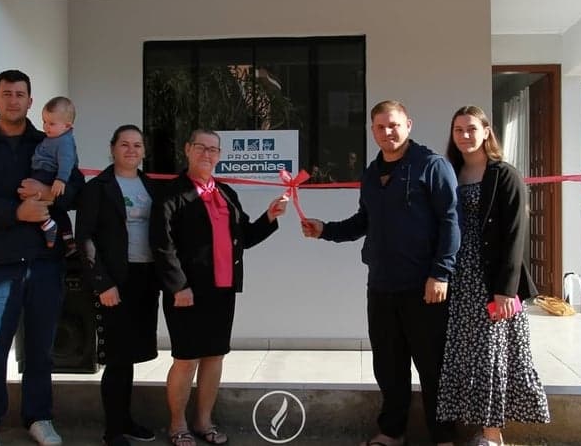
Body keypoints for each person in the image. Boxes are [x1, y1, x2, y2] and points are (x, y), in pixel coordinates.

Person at [301, 100, 460, 446]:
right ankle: (391, 432)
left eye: (393, 125)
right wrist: (324, 229)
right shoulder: (372, 173)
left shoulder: (432, 166)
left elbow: (451, 222)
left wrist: (441, 273)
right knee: (389, 366)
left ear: (408, 125)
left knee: (433, 367)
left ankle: (444, 437)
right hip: (382, 286)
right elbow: (364, 221)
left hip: (425, 287)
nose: (387, 132)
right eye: (379, 127)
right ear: (372, 130)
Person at [0, 69, 85, 446]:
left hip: (45, 262)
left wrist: (48, 192)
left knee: (41, 347)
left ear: (31, 101)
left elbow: (76, 191)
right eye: (6, 93)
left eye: (20, 94)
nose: (14, 100)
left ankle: (39, 417)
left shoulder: (50, 139)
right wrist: (17, 212)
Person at [150, 129, 288, 446]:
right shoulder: (171, 194)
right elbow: (162, 246)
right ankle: (177, 424)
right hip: (186, 292)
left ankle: (203, 421)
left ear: (220, 155)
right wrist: (178, 286)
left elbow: (245, 238)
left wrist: (270, 216)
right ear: (187, 150)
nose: (207, 154)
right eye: (201, 147)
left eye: (214, 150)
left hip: (222, 290)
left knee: (214, 356)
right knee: (186, 358)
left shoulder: (225, 193)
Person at [436, 105, 549, 446]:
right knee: (463, 355)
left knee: (492, 356)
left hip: (492, 282)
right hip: (458, 279)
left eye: (471, 129)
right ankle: (476, 430)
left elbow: (516, 234)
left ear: (486, 132)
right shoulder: (449, 172)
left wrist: (505, 290)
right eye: (458, 130)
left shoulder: (504, 174)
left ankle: (491, 435)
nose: (465, 136)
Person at [75, 125, 160, 446]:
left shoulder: (150, 185)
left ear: (144, 151)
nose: (131, 150)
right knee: (116, 357)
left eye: (137, 145)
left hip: (146, 279)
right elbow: (85, 239)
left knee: (131, 355)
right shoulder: (98, 188)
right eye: (124, 144)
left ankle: (126, 420)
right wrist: (102, 283)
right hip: (115, 281)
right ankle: (112, 430)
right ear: (112, 149)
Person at [28, 96, 79, 253]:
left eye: (51, 124)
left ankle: (48, 224)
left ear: (67, 126)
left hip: (49, 175)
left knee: (26, 194)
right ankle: (67, 237)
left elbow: (67, 161)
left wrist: (60, 180)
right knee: (57, 209)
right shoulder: (52, 137)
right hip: (45, 173)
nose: (45, 127)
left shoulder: (64, 141)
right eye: (44, 121)